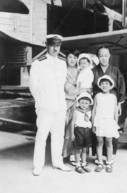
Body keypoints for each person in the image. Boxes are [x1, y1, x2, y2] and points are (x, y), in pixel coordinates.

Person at [29, 34, 71, 176]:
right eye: (52, 45)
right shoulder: (39, 62)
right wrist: (40, 101)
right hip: (45, 105)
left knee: (58, 135)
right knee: (42, 135)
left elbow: (62, 84)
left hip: (60, 105)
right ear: (47, 46)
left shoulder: (62, 62)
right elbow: (33, 86)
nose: (55, 48)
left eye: (58, 45)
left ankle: (57, 162)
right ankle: (38, 165)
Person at [92, 47, 125, 163]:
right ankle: (99, 156)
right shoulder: (93, 70)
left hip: (112, 101)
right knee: (98, 129)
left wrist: (119, 103)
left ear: (109, 56)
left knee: (111, 127)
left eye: (106, 55)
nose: (104, 58)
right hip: (98, 100)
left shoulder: (115, 70)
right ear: (98, 57)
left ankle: (111, 155)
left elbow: (121, 86)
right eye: (101, 56)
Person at [92, 75, 119, 173]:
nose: (104, 86)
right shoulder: (97, 96)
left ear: (110, 85)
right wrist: (93, 123)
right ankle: (100, 162)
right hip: (99, 122)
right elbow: (94, 110)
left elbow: (115, 111)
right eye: (102, 84)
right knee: (99, 142)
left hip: (109, 122)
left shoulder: (113, 97)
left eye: (107, 84)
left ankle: (109, 162)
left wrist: (115, 124)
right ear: (100, 85)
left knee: (108, 142)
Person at [62, 49, 80, 162]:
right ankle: (63, 153)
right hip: (66, 100)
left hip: (77, 101)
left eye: (74, 57)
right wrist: (77, 89)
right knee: (64, 127)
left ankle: (73, 154)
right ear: (66, 58)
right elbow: (65, 86)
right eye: (70, 57)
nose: (72, 60)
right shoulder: (63, 70)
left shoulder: (80, 71)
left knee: (75, 128)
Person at [71, 92, 93, 173]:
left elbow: (91, 121)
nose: (84, 105)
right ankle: (77, 165)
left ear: (89, 103)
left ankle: (83, 164)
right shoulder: (76, 111)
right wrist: (72, 133)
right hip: (78, 130)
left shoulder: (90, 111)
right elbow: (73, 122)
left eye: (86, 103)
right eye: (82, 103)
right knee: (78, 149)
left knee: (84, 149)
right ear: (79, 102)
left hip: (87, 131)